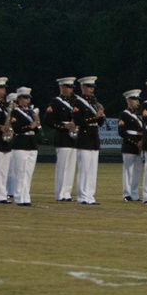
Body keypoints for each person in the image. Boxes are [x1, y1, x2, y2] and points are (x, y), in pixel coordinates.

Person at [74, 76, 106, 205]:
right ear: (82, 87)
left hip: (93, 137)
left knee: (92, 169)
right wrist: (94, 117)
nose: (91, 89)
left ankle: (90, 195)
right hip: (84, 136)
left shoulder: (94, 102)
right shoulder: (78, 102)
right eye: (89, 87)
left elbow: (101, 123)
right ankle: (82, 196)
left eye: (92, 87)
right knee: (84, 168)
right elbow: (78, 120)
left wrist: (100, 115)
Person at [47, 77, 78, 202]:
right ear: (62, 88)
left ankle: (67, 193)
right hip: (63, 137)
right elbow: (49, 121)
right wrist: (63, 126)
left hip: (74, 135)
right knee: (63, 166)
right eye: (68, 87)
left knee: (71, 167)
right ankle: (60, 193)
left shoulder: (75, 101)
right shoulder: (55, 102)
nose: (71, 90)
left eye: (71, 87)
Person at [9, 87, 41, 206]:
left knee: (28, 173)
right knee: (20, 172)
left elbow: (37, 129)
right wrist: (30, 126)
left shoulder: (30, 112)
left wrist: (36, 123)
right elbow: (17, 128)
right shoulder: (15, 112)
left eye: (28, 98)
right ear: (19, 99)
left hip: (31, 143)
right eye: (25, 98)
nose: (28, 100)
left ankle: (25, 197)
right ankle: (18, 197)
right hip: (21, 143)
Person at [117, 89, 144, 202]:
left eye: (138, 99)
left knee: (137, 170)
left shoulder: (140, 115)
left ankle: (134, 193)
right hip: (129, 145)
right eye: (135, 99)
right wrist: (135, 142)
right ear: (128, 100)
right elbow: (122, 132)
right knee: (128, 170)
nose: (137, 101)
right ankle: (126, 194)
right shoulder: (125, 114)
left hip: (140, 144)